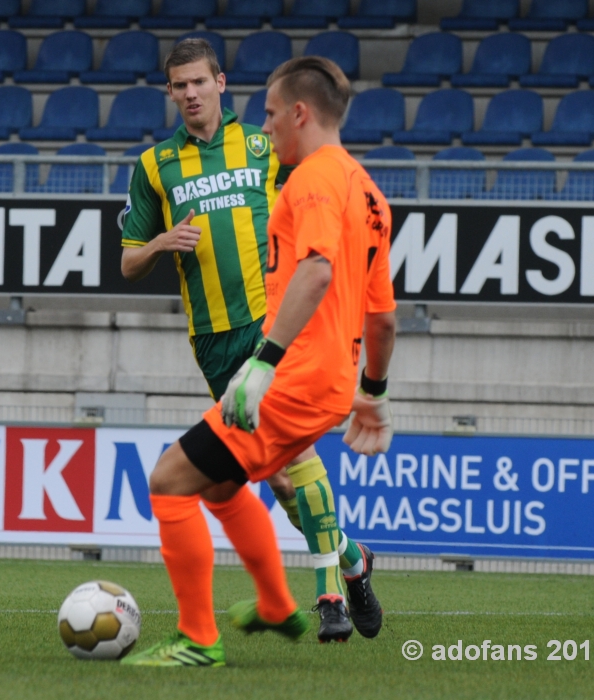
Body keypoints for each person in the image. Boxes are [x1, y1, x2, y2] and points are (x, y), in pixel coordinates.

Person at [121, 54, 397, 668]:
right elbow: (128, 260)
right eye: (180, 84)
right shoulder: (155, 166)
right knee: (244, 485)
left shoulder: (276, 156)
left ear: (221, 84)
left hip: (274, 340)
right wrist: (372, 390)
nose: (191, 93)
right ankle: (342, 565)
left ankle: (317, 597)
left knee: (192, 478)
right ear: (168, 91)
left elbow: (318, 258)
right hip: (217, 342)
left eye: (201, 81)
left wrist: (270, 356)